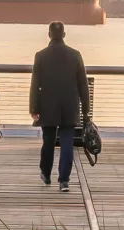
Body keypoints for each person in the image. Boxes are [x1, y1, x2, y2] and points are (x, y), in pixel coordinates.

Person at [30, 21, 89, 192]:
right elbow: (83, 85)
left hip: (47, 106)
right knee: (67, 143)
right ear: (64, 35)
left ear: (49, 35)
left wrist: (33, 108)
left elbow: (35, 84)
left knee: (48, 141)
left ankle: (45, 174)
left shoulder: (40, 56)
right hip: (70, 105)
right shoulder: (75, 55)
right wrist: (86, 110)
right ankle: (64, 180)